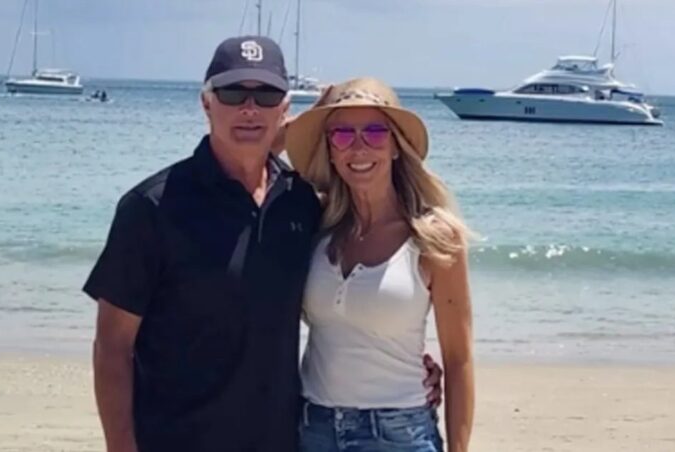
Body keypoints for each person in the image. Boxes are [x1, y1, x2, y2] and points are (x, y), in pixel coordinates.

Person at [83, 36, 442, 452]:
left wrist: (404, 362)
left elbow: (344, 295)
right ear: (206, 103)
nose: (249, 108)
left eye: (266, 95)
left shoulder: (301, 202)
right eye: (233, 93)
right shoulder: (152, 208)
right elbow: (112, 349)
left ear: (284, 107)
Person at [284, 77, 475, 452]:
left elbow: (459, 359)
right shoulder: (314, 225)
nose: (359, 147)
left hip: (398, 434)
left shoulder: (435, 238)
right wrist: (311, 113)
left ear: (396, 146)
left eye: (374, 132)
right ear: (330, 150)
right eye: (342, 134)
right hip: (313, 430)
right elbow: (254, 177)